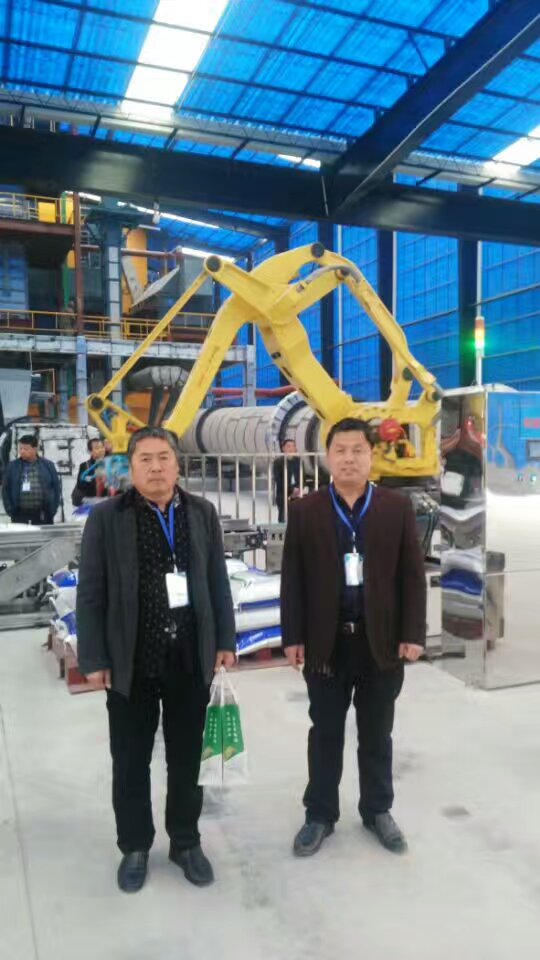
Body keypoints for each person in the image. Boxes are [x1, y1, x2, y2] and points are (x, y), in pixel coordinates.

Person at [76, 426, 236, 894]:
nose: (156, 467)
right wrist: (94, 657)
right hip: (131, 660)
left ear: (177, 464)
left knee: (187, 758)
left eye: (163, 457)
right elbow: (91, 593)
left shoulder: (202, 513)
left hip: (189, 658)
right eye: (144, 459)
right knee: (130, 760)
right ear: (130, 467)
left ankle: (185, 841)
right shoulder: (107, 518)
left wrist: (225, 639)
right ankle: (135, 846)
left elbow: (217, 581)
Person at [280, 417, 426, 858]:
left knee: (377, 733)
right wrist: (293, 636)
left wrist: (412, 633)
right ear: (327, 457)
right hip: (326, 644)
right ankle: (319, 814)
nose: (349, 459)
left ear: (371, 455)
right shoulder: (305, 510)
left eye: (357, 450)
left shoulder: (395, 508)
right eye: (340, 450)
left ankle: (377, 810)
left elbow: (412, 576)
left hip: (381, 643)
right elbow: (293, 579)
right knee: (325, 731)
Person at [2, 434, 61, 525]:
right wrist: (10, 510)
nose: (22, 451)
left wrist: (52, 510)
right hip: (19, 514)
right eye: (20, 448)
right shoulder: (12, 467)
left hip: (43, 514)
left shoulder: (48, 465)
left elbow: (56, 489)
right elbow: (5, 490)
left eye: (26, 449)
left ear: (35, 449)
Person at [71, 437, 108, 507]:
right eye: (97, 448)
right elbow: (80, 487)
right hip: (91, 503)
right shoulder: (85, 466)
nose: (101, 450)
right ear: (90, 451)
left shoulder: (111, 464)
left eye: (102, 447)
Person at [273, 438, 303, 523]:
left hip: (297, 492)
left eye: (293, 446)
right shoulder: (278, 462)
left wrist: (298, 489)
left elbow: (302, 477)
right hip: (283, 493)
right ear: (283, 448)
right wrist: (291, 490)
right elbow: (279, 480)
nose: (291, 449)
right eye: (288, 446)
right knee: (283, 517)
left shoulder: (299, 461)